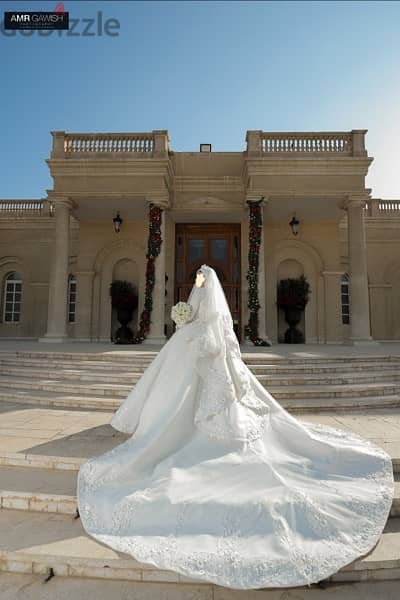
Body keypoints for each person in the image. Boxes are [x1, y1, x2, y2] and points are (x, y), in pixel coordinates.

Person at [77, 264, 394, 590]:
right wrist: (187, 326)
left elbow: (215, 346)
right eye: (197, 279)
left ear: (206, 285)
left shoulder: (208, 322)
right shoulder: (198, 314)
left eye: (200, 280)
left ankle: (177, 436)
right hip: (193, 356)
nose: (196, 282)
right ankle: (164, 431)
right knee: (176, 404)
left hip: (206, 368)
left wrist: (190, 333)